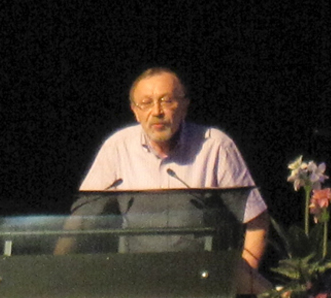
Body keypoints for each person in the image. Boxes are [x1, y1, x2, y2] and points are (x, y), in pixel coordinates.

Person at [55, 67, 269, 276]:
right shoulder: (117, 147)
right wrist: (56, 272)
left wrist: (244, 279)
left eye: (166, 101)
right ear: (135, 111)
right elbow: (81, 221)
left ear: (184, 106)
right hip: (136, 279)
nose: (157, 112)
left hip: (201, 280)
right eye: (146, 103)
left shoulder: (215, 146)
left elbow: (257, 221)